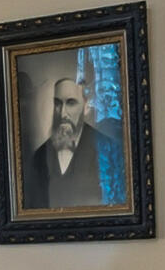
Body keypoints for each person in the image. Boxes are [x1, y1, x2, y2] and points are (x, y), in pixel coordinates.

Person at [22, 73, 122, 210]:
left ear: (86, 106)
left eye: (71, 103)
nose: (63, 113)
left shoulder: (110, 151)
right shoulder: (39, 157)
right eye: (57, 103)